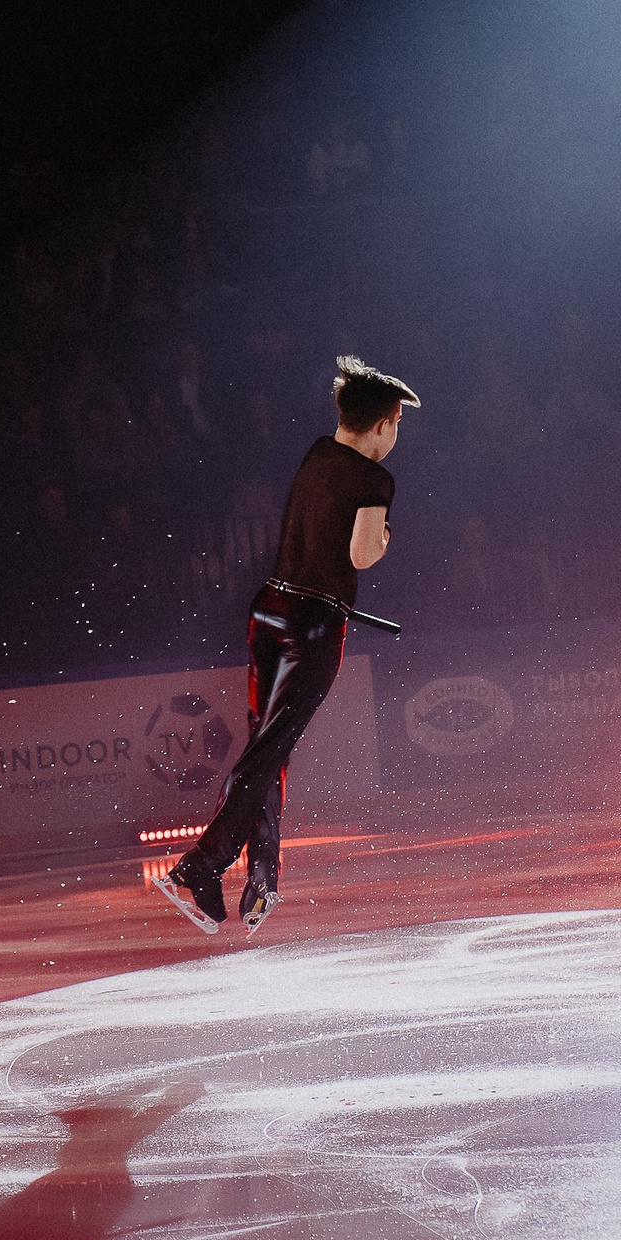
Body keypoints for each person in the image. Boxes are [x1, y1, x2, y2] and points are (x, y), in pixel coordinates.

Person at [154, 356, 416, 936]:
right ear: (384, 423)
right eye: (398, 423)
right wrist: (387, 531)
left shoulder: (318, 452)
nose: (397, 436)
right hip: (313, 627)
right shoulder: (375, 479)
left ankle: (263, 878)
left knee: (268, 748)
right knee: (267, 751)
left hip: (269, 612)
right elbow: (362, 555)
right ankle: (197, 868)